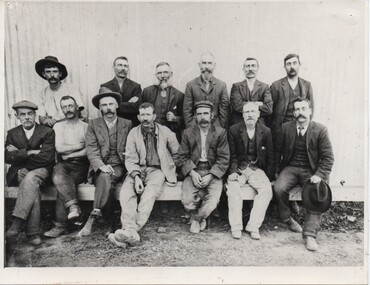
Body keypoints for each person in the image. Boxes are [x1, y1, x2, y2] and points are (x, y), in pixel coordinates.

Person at [107, 102, 179, 248]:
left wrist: (171, 169)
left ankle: (131, 230)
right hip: (138, 170)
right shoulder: (133, 133)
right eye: (142, 115)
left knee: (149, 193)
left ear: (154, 116)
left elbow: (177, 153)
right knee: (126, 192)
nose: (145, 118)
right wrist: (136, 176)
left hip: (157, 171)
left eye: (148, 115)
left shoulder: (166, 132)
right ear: (138, 117)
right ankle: (130, 233)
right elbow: (130, 158)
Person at [274, 98, 334, 251]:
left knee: (316, 192)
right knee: (279, 188)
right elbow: (277, 152)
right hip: (291, 168)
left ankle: (310, 235)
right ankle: (287, 219)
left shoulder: (320, 130)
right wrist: (276, 172)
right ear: (293, 112)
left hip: (311, 170)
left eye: (303, 109)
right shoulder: (286, 128)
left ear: (310, 111)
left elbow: (328, 157)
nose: (300, 113)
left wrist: (319, 175)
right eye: (297, 109)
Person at [78, 91, 132, 236]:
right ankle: (108, 222)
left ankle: (93, 218)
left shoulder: (127, 124)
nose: (108, 108)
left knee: (107, 177)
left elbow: (131, 146)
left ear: (116, 106)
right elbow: (91, 149)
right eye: (104, 105)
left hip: (119, 165)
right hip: (101, 165)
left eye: (110, 104)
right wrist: (101, 165)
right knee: (105, 177)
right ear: (100, 108)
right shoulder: (93, 125)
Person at [5, 100, 55, 245]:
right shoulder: (12, 134)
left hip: (42, 171)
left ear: (35, 115)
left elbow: (47, 157)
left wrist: (20, 156)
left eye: (30, 114)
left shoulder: (47, 132)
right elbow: (7, 157)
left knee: (30, 176)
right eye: (23, 114)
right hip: (19, 173)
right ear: (17, 116)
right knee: (31, 184)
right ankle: (32, 233)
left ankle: (18, 222)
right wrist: (30, 152)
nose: (27, 117)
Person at [176, 101, 229, 234]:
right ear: (195, 117)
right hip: (194, 169)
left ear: (212, 116)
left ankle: (197, 218)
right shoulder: (188, 133)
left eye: (206, 113)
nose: (203, 117)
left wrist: (211, 175)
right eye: (199, 114)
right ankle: (201, 216)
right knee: (187, 202)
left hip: (212, 170)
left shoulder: (220, 132)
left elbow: (223, 158)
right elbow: (182, 156)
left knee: (213, 201)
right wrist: (192, 173)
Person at [226, 102, 274, 240]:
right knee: (233, 188)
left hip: (256, 169)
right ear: (242, 115)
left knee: (266, 190)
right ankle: (236, 227)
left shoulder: (266, 131)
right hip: (239, 168)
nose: (250, 115)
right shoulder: (234, 130)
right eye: (247, 112)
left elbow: (270, 156)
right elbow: (232, 155)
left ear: (258, 114)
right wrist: (233, 172)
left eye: (253, 112)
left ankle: (253, 226)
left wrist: (268, 177)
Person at [44, 96, 89, 238]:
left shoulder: (85, 127)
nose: (68, 109)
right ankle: (74, 208)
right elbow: (59, 148)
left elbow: (88, 150)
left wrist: (70, 154)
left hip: (81, 165)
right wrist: (79, 145)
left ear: (77, 107)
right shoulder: (58, 126)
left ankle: (60, 225)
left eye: (70, 106)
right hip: (63, 165)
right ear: (61, 109)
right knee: (58, 175)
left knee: (63, 184)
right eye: (64, 107)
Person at [269, 53, 314, 141]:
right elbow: (269, 111)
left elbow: (311, 109)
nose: (292, 66)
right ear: (284, 67)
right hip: (280, 130)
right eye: (288, 64)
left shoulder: (307, 85)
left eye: (294, 63)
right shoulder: (276, 86)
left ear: (299, 65)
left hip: (300, 127)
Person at [35, 56, 85, 127]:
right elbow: (41, 117)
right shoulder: (43, 92)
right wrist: (46, 121)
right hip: (52, 128)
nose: (52, 75)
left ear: (60, 74)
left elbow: (77, 111)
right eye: (48, 72)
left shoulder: (71, 89)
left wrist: (55, 121)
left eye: (55, 71)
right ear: (44, 74)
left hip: (72, 126)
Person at [183, 52, 229, 129]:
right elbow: (187, 111)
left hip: (216, 128)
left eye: (209, 63)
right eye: (204, 63)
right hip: (196, 128)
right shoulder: (191, 85)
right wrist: (193, 130)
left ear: (214, 65)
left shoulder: (221, 85)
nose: (207, 66)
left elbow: (224, 112)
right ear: (199, 65)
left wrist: (218, 130)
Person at [141, 61, 184, 142]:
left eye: (165, 72)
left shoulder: (179, 95)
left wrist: (175, 118)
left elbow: (185, 118)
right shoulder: (147, 91)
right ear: (156, 75)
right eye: (159, 73)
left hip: (171, 135)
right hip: (150, 134)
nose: (163, 76)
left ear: (171, 74)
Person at [100, 56, 142, 126]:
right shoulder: (105, 87)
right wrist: (128, 104)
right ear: (113, 68)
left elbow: (137, 107)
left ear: (128, 69)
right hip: (112, 125)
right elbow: (105, 109)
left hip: (131, 126)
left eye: (125, 66)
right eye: (120, 65)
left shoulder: (136, 86)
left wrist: (114, 105)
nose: (123, 68)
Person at [230, 57, 273, 126]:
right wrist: (258, 104)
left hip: (260, 126)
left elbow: (269, 109)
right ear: (243, 69)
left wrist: (246, 105)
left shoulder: (265, 87)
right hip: (240, 124)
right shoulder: (236, 87)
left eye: (253, 66)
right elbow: (237, 106)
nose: (250, 69)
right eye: (247, 66)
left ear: (258, 68)